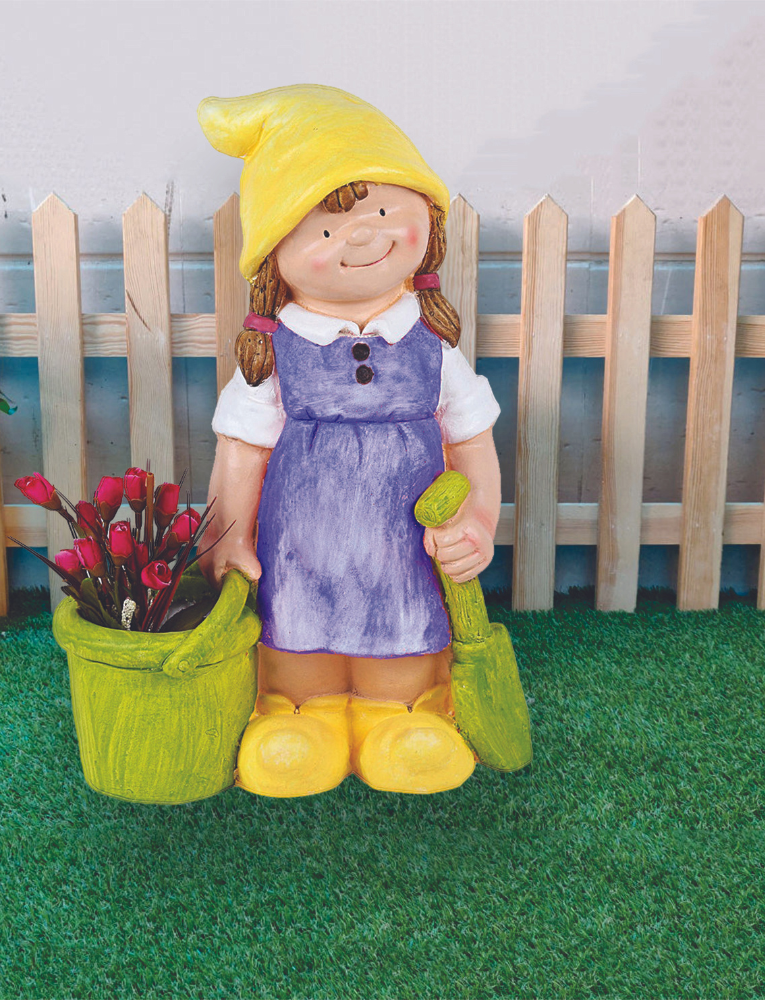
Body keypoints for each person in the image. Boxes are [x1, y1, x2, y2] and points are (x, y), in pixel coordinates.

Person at [197, 85, 502, 797]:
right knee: (298, 638)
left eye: (384, 212)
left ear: (427, 217)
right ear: (276, 255)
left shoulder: (432, 348)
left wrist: (479, 521)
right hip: (300, 546)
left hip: (403, 545)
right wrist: (229, 538)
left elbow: (474, 443)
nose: (362, 237)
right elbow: (239, 453)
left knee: (400, 635)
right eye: (325, 229)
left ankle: (401, 716)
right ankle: (298, 715)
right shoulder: (276, 357)